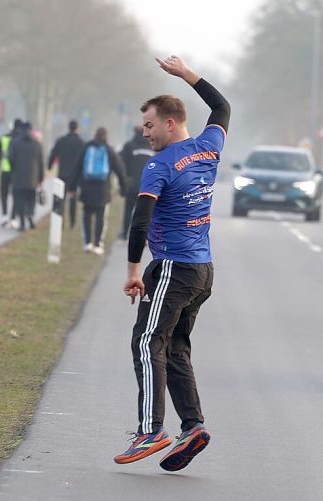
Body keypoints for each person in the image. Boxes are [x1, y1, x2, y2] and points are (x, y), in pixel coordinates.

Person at [114, 56, 229, 472]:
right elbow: (221, 108)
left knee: (146, 342)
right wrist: (188, 75)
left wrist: (131, 271)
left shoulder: (159, 165)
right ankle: (193, 426)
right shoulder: (207, 147)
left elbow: (140, 218)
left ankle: (151, 430)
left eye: (149, 125)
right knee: (175, 347)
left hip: (172, 269)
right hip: (202, 271)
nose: (144, 133)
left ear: (169, 122)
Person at [68, 127, 126, 255]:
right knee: (101, 217)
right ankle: (98, 244)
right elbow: (120, 170)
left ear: (94, 135)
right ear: (106, 136)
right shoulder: (109, 151)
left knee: (86, 215)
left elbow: (76, 168)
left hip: (87, 188)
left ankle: (87, 243)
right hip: (103, 189)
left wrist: (72, 187)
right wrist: (123, 187)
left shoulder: (86, 149)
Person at [118, 126, 154, 240]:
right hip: (148, 186)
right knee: (145, 213)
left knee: (128, 210)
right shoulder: (152, 147)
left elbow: (120, 162)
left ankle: (124, 234)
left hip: (132, 184)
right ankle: (144, 236)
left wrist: (125, 180)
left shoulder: (129, 146)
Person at [7, 122, 44, 232]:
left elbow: (10, 158)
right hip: (33, 177)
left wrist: (14, 170)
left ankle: (22, 223)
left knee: (20, 200)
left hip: (18, 177)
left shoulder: (15, 143)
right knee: (31, 199)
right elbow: (41, 162)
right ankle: (30, 214)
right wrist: (40, 178)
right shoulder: (37, 144)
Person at [47, 120, 85, 229]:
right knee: (72, 199)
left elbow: (53, 154)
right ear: (77, 128)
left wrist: (49, 165)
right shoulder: (81, 142)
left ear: (68, 128)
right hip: (75, 176)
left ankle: (60, 221)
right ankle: (72, 223)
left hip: (62, 174)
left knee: (60, 198)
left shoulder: (61, 141)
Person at [0, 119, 23, 228]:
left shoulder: (4, 137)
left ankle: (4, 215)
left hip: (5, 170)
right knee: (16, 195)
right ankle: (13, 218)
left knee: (4, 194)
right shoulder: (21, 139)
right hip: (16, 172)